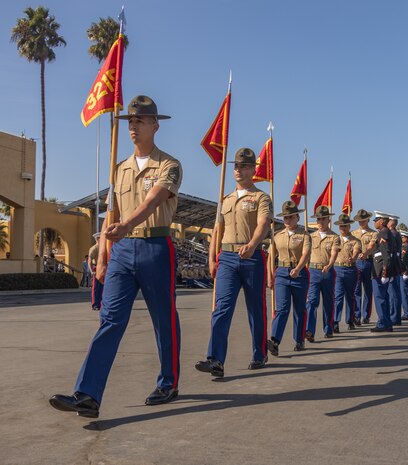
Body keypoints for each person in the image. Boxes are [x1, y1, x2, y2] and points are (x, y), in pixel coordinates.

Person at [50, 95, 182, 418]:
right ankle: (88, 394)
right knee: (110, 320)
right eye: (130, 122)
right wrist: (103, 256)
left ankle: (168, 382)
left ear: (155, 125)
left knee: (163, 320)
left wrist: (125, 225)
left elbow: (152, 201)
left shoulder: (170, 165)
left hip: (155, 247)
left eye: (140, 121)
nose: (133, 127)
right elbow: (112, 215)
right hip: (121, 251)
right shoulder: (120, 170)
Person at [195, 147, 272, 379]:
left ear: (253, 170)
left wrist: (252, 244)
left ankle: (260, 353)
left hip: (251, 257)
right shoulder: (224, 199)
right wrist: (211, 258)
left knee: (255, 309)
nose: (239, 169)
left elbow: (263, 224)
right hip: (227, 258)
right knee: (221, 308)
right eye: (236, 166)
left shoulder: (261, 197)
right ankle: (216, 359)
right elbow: (216, 231)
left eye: (244, 166)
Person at [267, 200, 311, 355]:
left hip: (299, 275)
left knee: (299, 309)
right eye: (286, 217)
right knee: (282, 308)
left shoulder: (305, 235)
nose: (288, 220)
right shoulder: (277, 236)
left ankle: (299, 340)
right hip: (282, 274)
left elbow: (306, 255)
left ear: (297, 217)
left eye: (291, 217)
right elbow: (271, 257)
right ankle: (275, 341)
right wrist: (270, 275)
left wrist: (298, 268)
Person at [305, 205, 340, 340]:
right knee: (312, 301)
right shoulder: (310, 236)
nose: (320, 222)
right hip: (313, 271)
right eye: (318, 219)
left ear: (328, 220)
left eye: (322, 219)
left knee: (328, 301)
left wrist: (330, 264)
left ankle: (328, 328)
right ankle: (309, 331)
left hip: (327, 272)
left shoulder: (334, 237)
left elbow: (334, 253)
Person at [333, 213, 362, 332]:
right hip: (338, 269)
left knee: (350, 296)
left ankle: (350, 320)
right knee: (338, 297)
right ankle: (335, 321)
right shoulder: (335, 239)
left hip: (350, 269)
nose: (342, 228)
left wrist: (353, 257)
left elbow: (356, 250)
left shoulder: (355, 240)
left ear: (349, 226)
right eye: (341, 226)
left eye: (345, 226)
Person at [370, 211, 395, 332]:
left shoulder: (383, 233)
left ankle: (382, 323)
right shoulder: (386, 232)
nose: (375, 223)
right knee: (384, 297)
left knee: (380, 298)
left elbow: (386, 254)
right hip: (382, 269)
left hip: (380, 270)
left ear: (382, 221)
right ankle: (387, 323)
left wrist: (385, 272)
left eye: (376, 220)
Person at [351, 209, 377, 325]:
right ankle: (356, 315)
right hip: (356, 263)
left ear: (368, 220)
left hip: (368, 262)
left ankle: (366, 315)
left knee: (368, 290)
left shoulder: (373, 233)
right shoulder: (353, 233)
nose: (361, 222)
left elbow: (371, 246)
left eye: (363, 220)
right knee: (356, 290)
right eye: (359, 220)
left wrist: (365, 254)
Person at [386, 215, 403, 325]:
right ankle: (395, 317)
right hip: (396, 265)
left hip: (392, 265)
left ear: (391, 224)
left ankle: (394, 317)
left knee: (393, 294)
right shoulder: (396, 234)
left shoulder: (392, 234)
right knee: (394, 292)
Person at [88, 234, 103, 311]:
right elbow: (90, 260)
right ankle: (95, 305)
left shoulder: (104, 247)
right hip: (97, 268)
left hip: (104, 267)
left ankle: (102, 304)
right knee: (96, 288)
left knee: (104, 287)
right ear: (97, 239)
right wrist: (91, 271)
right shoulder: (94, 248)